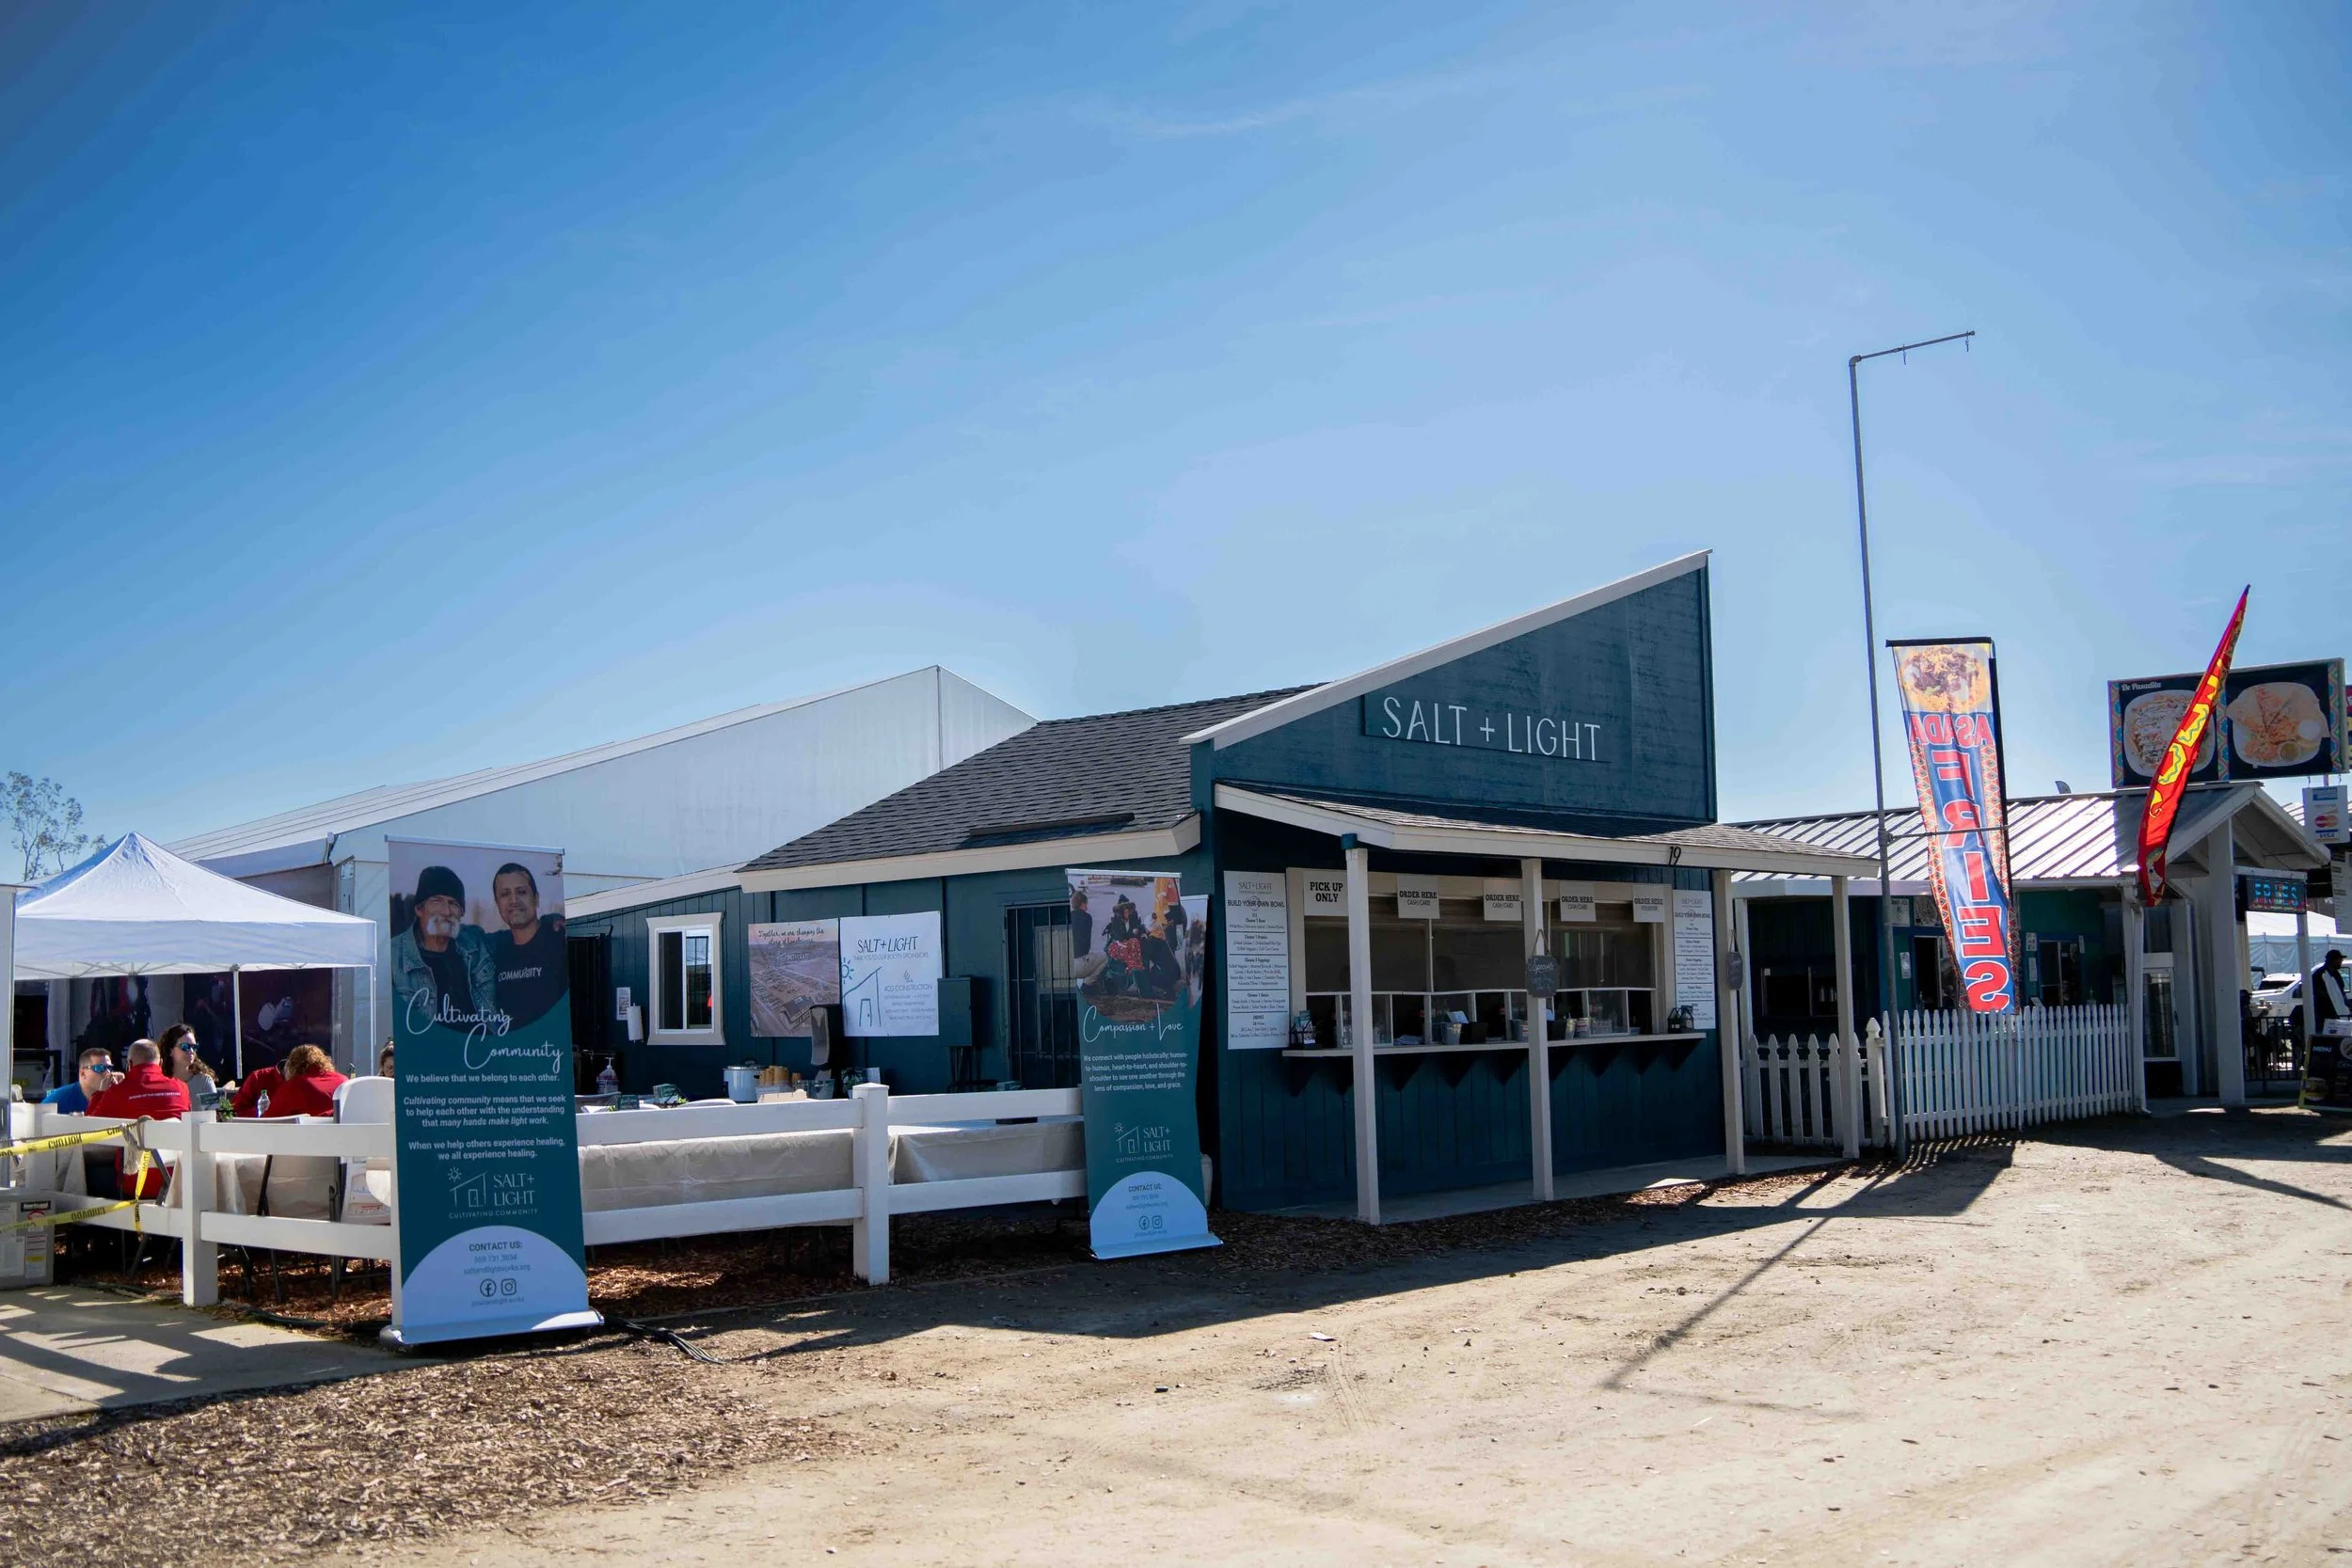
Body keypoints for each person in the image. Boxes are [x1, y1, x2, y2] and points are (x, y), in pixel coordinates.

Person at [390, 863, 496, 1025]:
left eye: (454, 904)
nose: (446, 912)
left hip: (476, 1040)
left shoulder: (475, 944)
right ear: (419, 909)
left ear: (461, 913)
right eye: (436, 901)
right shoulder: (394, 956)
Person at [486, 862, 566, 1028]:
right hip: (508, 1043)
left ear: (536, 898)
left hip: (550, 1042)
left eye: (521, 892)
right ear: (497, 903)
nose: (514, 901)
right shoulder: (492, 947)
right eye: (505, 894)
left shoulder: (559, 938)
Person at [88, 1039, 191, 1121]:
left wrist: (101, 1094)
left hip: (135, 1142)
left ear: (129, 1064)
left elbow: (88, 1129)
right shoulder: (182, 1088)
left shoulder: (116, 1092)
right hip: (177, 1142)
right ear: (160, 1063)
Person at [255, 1044, 346, 1118]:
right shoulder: (344, 1081)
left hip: (309, 1134)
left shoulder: (295, 1085)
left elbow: (269, 1119)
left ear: (292, 1066)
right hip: (342, 1132)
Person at [40, 1047, 118, 1114]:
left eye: (110, 1068)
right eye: (100, 1068)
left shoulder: (113, 1097)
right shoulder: (58, 1100)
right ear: (83, 1073)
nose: (108, 1072)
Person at [159, 1023, 218, 1101]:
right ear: (170, 1051)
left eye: (194, 1047)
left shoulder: (204, 1082)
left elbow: (213, 1108)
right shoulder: (160, 1082)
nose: (191, 1051)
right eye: (185, 1046)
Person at [2313, 950, 2350, 1034]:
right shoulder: (2320, 974)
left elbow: (2340, 992)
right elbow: (2319, 993)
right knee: (2326, 1036)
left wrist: (2345, 1003)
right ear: (2333, 960)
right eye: (2340, 959)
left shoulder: (2336, 974)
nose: (2342, 961)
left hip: (2337, 1013)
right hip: (2325, 1014)